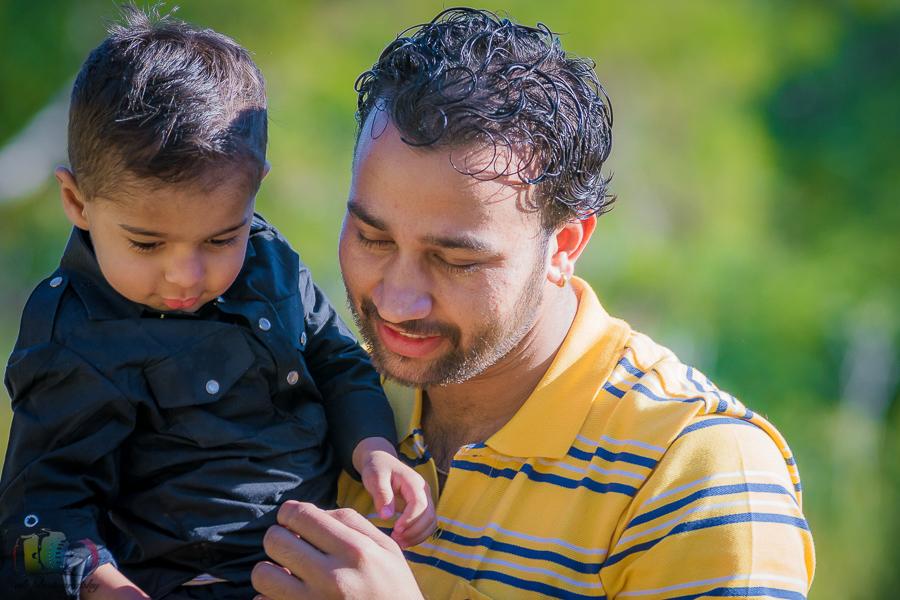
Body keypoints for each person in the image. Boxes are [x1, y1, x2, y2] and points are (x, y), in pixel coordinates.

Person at [250, 8, 816, 600]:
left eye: (455, 260)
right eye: (372, 237)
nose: (395, 300)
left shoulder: (699, 473)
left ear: (564, 245)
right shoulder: (315, 389)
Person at [0, 7, 435, 600]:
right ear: (77, 202)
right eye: (146, 243)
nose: (187, 273)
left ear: (254, 189)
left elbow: (335, 359)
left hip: (316, 570)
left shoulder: (268, 258)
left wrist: (374, 449)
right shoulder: (70, 334)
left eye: (220, 238)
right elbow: (36, 516)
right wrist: (104, 588)